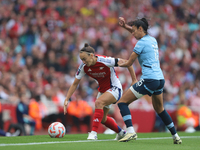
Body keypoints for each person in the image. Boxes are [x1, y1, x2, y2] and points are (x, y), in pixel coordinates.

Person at [116, 17, 182, 144]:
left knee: (122, 103)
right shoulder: (152, 40)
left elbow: (129, 62)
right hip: (160, 79)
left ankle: (130, 132)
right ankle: (175, 136)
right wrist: (125, 27)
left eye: (134, 31)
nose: (133, 34)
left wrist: (114, 63)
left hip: (149, 79)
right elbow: (139, 34)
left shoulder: (140, 44)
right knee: (160, 109)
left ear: (140, 29)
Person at [64, 43, 137, 140]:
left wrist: (134, 80)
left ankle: (93, 133)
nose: (83, 62)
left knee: (98, 102)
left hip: (115, 88)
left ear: (91, 55)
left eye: (84, 59)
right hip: (103, 91)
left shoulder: (105, 60)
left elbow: (128, 63)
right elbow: (75, 83)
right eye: (81, 59)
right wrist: (67, 99)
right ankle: (121, 133)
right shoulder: (83, 67)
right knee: (103, 119)